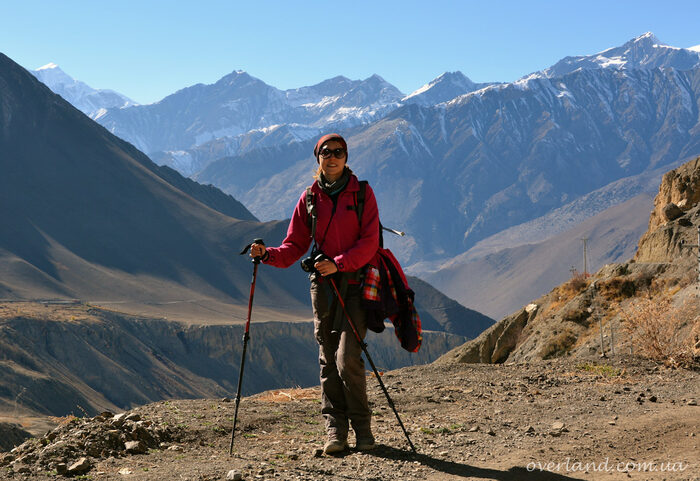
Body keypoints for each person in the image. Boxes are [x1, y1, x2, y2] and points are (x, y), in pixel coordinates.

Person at [249, 133, 380, 454]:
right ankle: (336, 432)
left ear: (347, 157)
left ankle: (363, 429)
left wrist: (338, 263)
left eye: (339, 152)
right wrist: (267, 254)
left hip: (357, 285)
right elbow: (294, 245)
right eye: (326, 153)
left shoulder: (362, 193)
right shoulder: (309, 198)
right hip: (323, 289)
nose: (332, 157)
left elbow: (370, 242)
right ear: (317, 157)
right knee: (328, 361)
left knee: (347, 357)